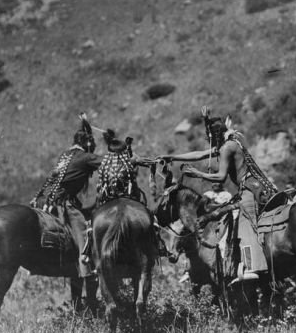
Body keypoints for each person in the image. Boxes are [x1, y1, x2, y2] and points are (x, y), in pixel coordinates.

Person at [159, 106, 278, 282]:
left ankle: (253, 267)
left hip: (251, 189)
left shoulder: (227, 148)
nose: (210, 143)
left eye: (210, 137)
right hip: (250, 187)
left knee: (245, 223)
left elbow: (221, 176)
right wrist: (174, 158)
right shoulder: (228, 143)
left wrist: (198, 174)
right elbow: (199, 154)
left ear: (216, 136)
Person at [30, 113, 102, 278]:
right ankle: (86, 270)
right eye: (92, 143)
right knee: (83, 232)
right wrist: (126, 156)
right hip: (62, 204)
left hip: (44, 202)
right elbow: (106, 161)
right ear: (88, 142)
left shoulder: (65, 155)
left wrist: (85, 124)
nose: (93, 145)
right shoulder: (85, 157)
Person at [96, 129, 156, 206]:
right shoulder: (129, 164)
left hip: (107, 199)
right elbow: (145, 162)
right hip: (129, 196)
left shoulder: (103, 167)